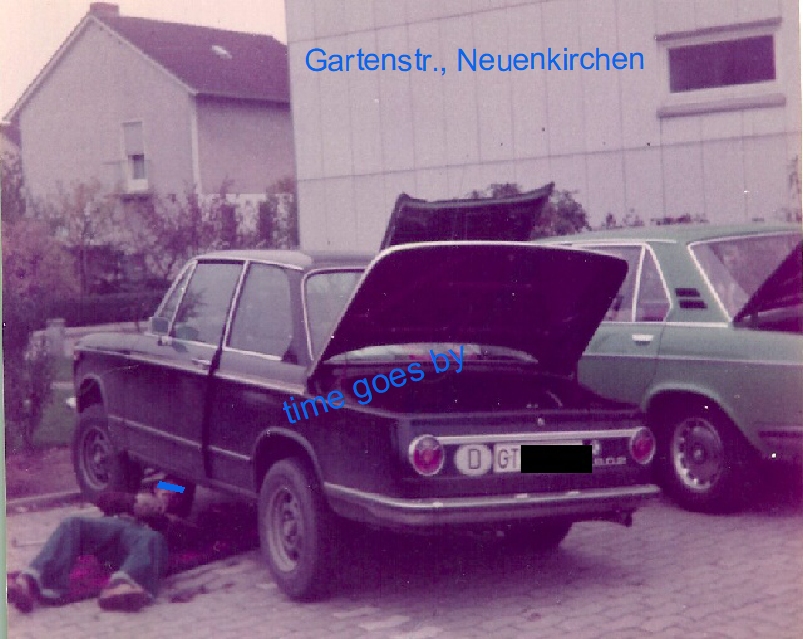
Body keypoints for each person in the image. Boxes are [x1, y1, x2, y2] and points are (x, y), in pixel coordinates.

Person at [7, 481, 193, 613]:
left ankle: (122, 586)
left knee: (151, 538)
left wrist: (162, 512)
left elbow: (182, 489)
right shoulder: (140, 480)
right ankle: (28, 582)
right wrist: (134, 501)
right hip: (114, 528)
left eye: (173, 495)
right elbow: (104, 499)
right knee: (72, 523)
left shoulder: (182, 494)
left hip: (140, 541)